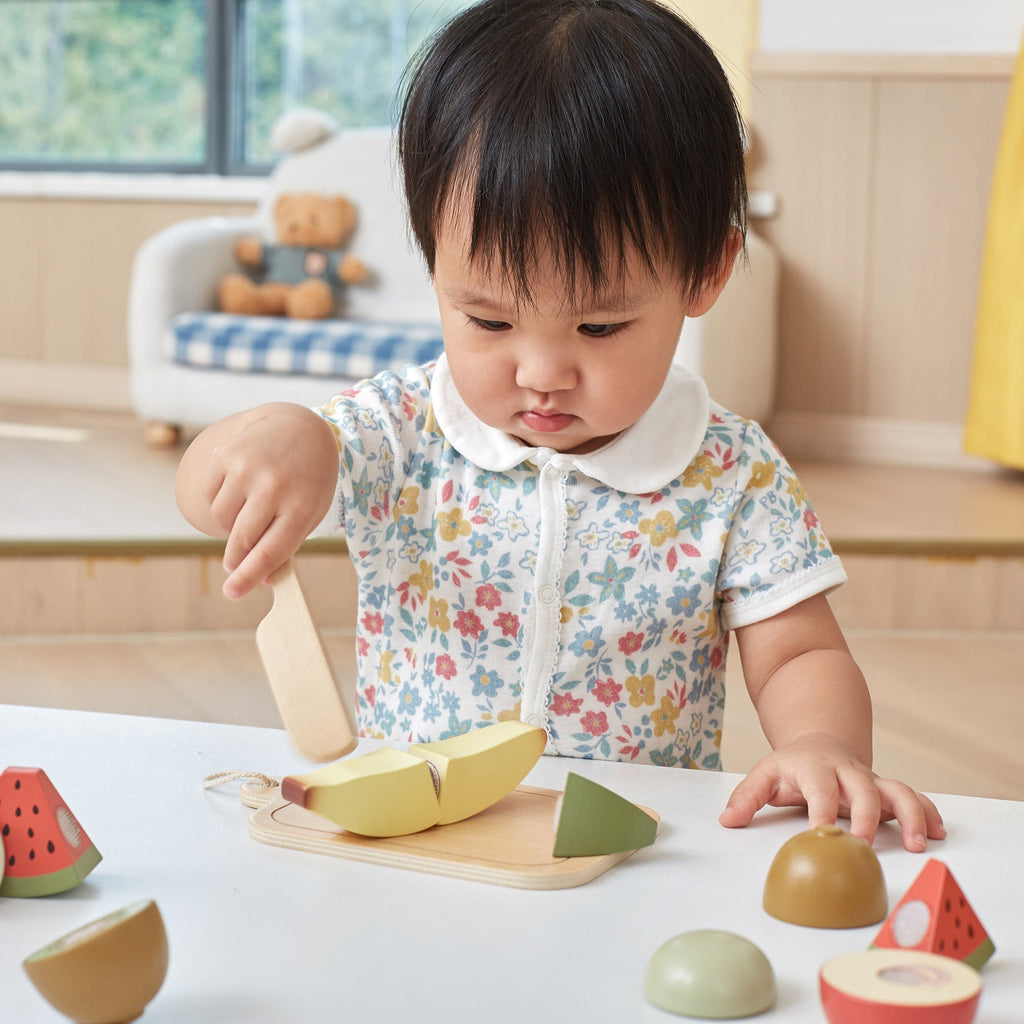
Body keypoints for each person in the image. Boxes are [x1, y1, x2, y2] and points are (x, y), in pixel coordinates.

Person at [176, 0, 944, 852]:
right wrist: (278, 438)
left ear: (706, 272)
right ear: (433, 260)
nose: (540, 372)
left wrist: (822, 745)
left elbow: (798, 655)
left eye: (600, 328)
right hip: (413, 839)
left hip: (626, 845)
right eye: (489, 322)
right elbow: (209, 492)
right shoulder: (395, 431)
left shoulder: (731, 471)